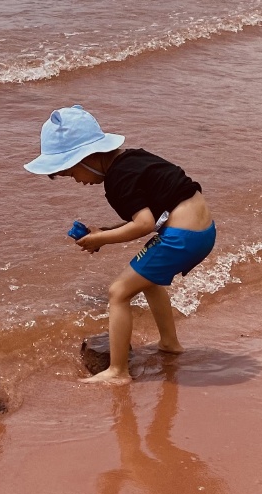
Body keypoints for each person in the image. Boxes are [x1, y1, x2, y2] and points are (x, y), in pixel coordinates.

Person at [24, 105, 216, 385]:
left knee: (118, 293)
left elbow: (143, 224)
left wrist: (100, 239)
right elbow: (153, 214)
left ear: (88, 157)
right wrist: (104, 231)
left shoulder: (117, 181)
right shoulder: (133, 160)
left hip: (182, 237)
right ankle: (169, 343)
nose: (77, 180)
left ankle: (117, 371)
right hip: (202, 230)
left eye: (71, 172)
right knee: (147, 279)